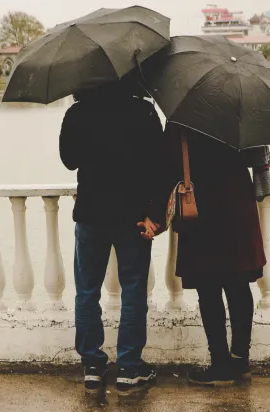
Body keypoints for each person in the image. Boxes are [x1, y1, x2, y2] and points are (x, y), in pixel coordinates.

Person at [60, 80, 166, 395]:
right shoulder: (144, 111)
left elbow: (69, 160)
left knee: (87, 291)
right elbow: (160, 166)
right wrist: (156, 215)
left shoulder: (77, 112)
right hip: (133, 214)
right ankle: (129, 369)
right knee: (133, 291)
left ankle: (93, 366)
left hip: (92, 212)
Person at [164, 125, 270, 386]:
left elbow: (168, 163)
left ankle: (221, 363)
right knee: (238, 285)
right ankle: (239, 360)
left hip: (199, 205)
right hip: (236, 202)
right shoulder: (239, 108)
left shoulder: (182, 116)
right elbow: (257, 157)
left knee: (208, 288)